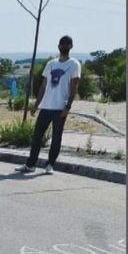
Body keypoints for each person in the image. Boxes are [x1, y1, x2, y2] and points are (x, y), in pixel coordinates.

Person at [17, 35, 81, 175]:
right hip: (46, 107)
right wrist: (36, 104)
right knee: (36, 137)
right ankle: (30, 165)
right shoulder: (51, 64)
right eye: (62, 44)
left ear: (70, 46)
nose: (64, 46)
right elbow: (44, 85)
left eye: (66, 44)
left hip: (60, 108)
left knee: (56, 138)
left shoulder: (74, 64)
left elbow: (74, 87)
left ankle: (50, 164)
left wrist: (68, 106)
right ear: (58, 46)